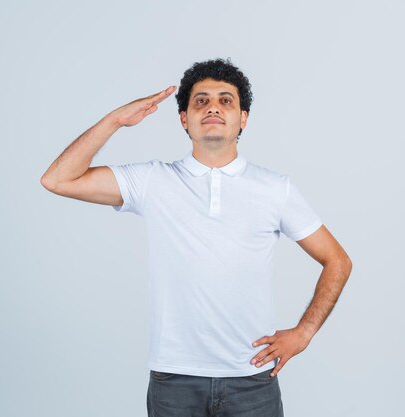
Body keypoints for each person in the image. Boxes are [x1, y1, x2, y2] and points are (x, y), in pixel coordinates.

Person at [41, 58, 353, 417]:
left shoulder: (275, 189)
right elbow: (58, 179)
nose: (213, 107)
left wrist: (303, 333)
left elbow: (338, 261)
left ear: (243, 119)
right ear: (184, 119)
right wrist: (115, 120)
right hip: (174, 380)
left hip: (251, 379)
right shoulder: (153, 182)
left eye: (226, 100)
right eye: (201, 101)